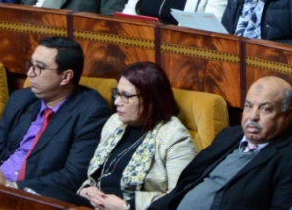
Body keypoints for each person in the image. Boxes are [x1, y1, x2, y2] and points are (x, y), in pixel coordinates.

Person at [39, 62, 197, 209]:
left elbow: (179, 197)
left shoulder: (174, 136)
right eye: (117, 93)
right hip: (95, 204)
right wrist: (87, 189)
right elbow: (95, 175)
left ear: (151, 99)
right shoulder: (115, 123)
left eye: (126, 96)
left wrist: (125, 205)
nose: (117, 102)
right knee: (44, 192)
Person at [150, 76, 292, 210]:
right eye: (248, 106)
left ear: (287, 114)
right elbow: (188, 182)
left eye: (265, 109)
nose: (253, 116)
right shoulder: (230, 135)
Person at [0, 37, 112, 194]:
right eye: (31, 65)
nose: (30, 73)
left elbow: (73, 176)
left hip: (34, 197)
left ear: (65, 77)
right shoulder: (20, 99)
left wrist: (12, 186)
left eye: (40, 68)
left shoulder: (91, 112)